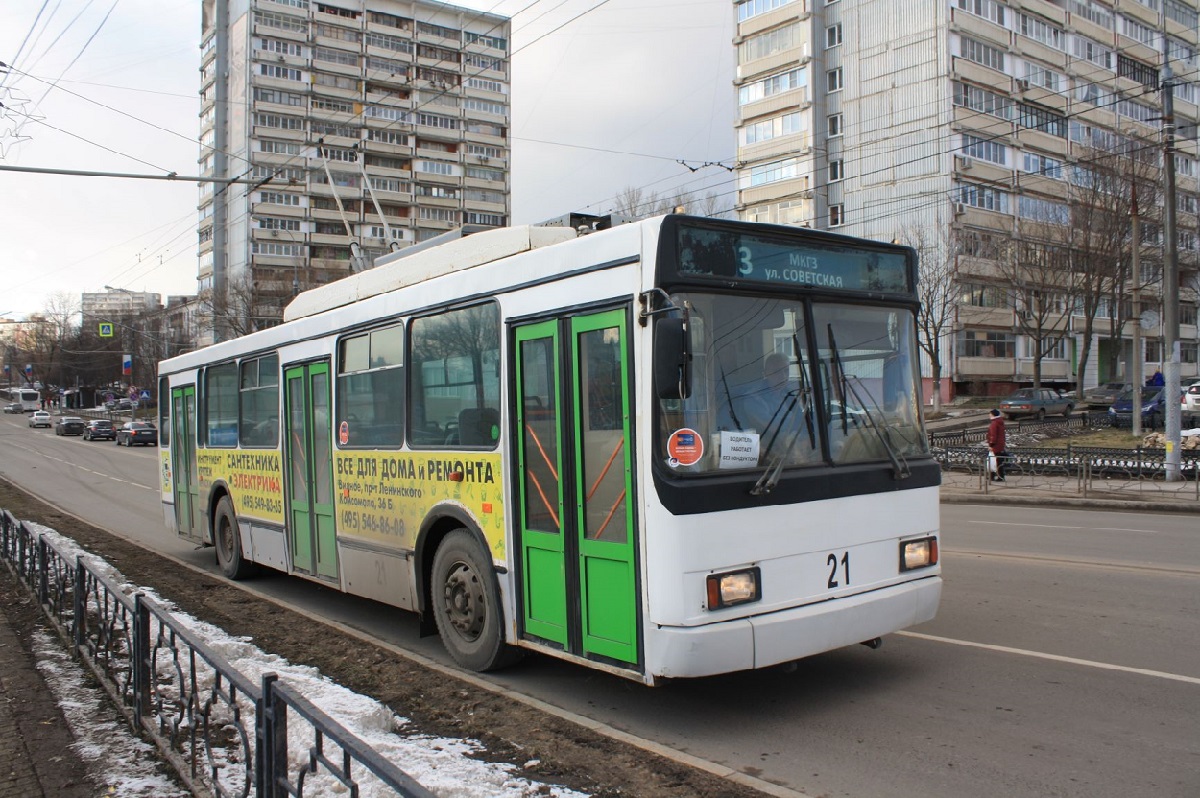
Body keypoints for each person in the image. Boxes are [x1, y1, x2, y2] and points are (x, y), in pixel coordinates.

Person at [986, 408, 1007, 482]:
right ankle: (996, 476)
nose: (989, 415)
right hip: (1000, 444)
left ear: (993, 415)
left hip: (995, 445)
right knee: (997, 460)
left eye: (990, 414)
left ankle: (998, 476)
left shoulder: (994, 423)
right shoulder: (1000, 422)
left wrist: (991, 445)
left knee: (994, 461)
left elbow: (993, 436)